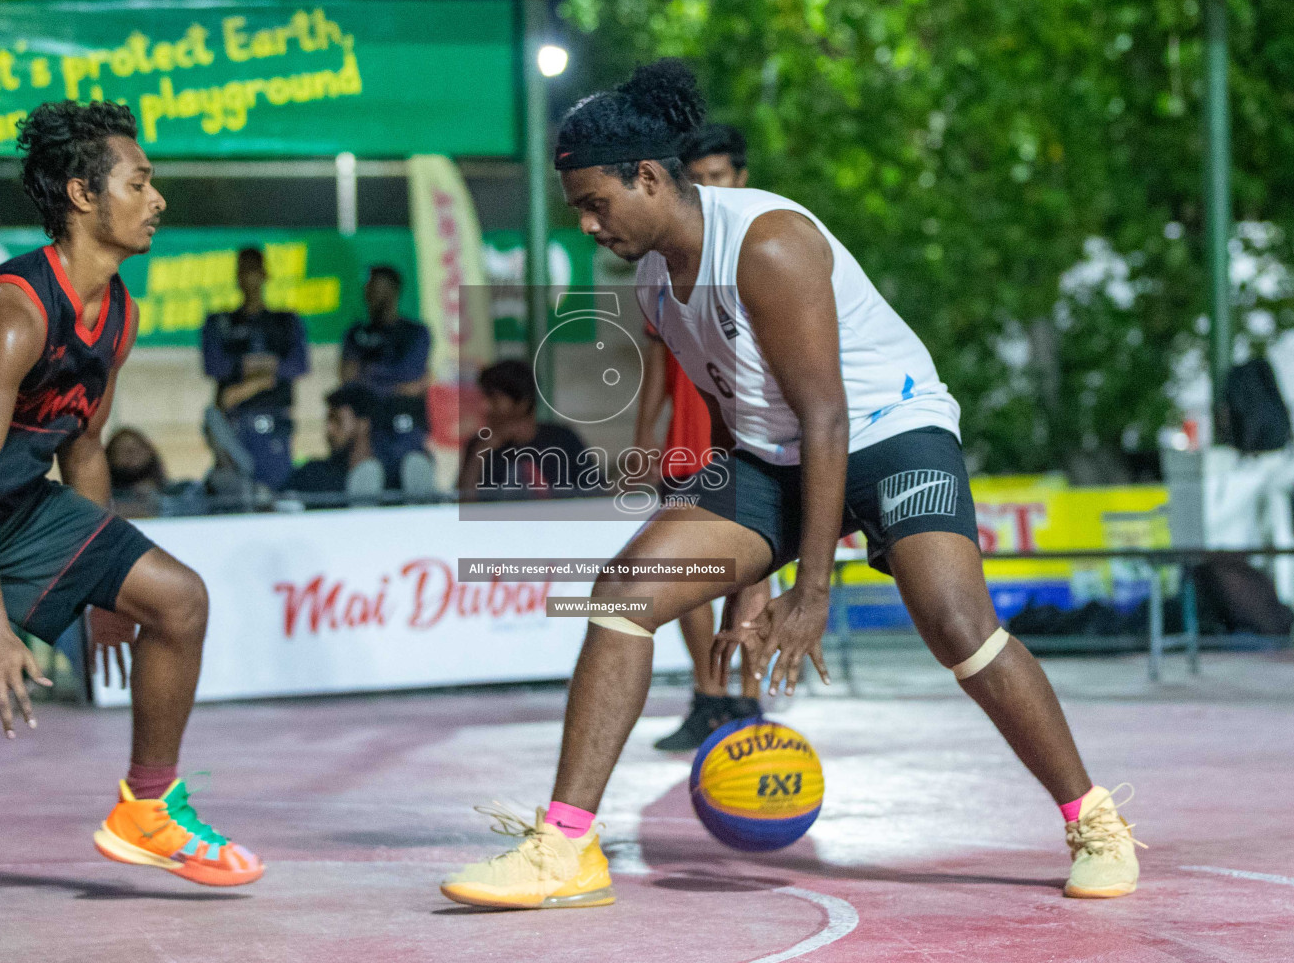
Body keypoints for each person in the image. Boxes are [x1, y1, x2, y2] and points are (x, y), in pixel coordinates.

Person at [441, 61, 1140, 909]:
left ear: (651, 178)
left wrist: (813, 589)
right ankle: (566, 848)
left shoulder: (768, 245)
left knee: (959, 626)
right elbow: (738, 423)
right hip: (776, 454)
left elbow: (827, 419)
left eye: (596, 203)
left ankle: (1092, 818)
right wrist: (746, 580)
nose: (588, 225)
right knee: (622, 594)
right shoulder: (656, 285)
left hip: (889, 433)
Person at [0, 101, 263, 886]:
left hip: (10, 491)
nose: (158, 199)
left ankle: (149, 807)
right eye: (140, 182)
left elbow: (85, 443)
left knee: (178, 601)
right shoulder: (16, 311)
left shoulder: (118, 313)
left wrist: (100, 588)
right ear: (83, 195)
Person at [640, 122, 768, 752]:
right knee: (687, 568)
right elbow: (656, 371)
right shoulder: (666, 261)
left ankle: (748, 701)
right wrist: (645, 440)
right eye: (700, 179)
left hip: (754, 435)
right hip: (687, 439)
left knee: (751, 573)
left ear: (740, 179)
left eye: (720, 176)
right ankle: (708, 695)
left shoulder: (766, 249)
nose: (711, 188)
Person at [200, 246, 309, 489]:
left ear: (265, 274)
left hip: (275, 422)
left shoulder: (285, 321)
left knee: (276, 491)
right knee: (233, 491)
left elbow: (298, 365)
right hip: (234, 423)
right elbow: (214, 365)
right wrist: (263, 375)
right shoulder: (220, 322)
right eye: (244, 270)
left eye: (254, 269)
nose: (250, 277)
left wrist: (246, 372)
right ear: (237, 276)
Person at [458, 360, 602, 501]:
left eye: (494, 399)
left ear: (522, 403)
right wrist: (480, 454)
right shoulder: (479, 445)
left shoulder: (563, 440)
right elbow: (464, 505)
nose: (485, 407)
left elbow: (596, 495)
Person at [341, 264, 431, 487]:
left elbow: (412, 376)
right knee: (366, 476)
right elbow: (347, 377)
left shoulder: (415, 332)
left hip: (405, 424)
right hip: (366, 426)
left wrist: (367, 374)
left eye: (378, 288)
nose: (371, 294)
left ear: (394, 291)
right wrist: (395, 382)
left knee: (414, 469)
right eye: (369, 289)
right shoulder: (356, 334)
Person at [284, 382, 384, 497]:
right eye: (328, 421)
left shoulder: (390, 476)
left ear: (363, 425)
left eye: (337, 420)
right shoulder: (312, 474)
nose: (328, 429)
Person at [106, 427, 168, 518]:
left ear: (149, 452)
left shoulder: (170, 493)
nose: (131, 454)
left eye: (137, 449)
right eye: (123, 450)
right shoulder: (104, 499)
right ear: (110, 457)